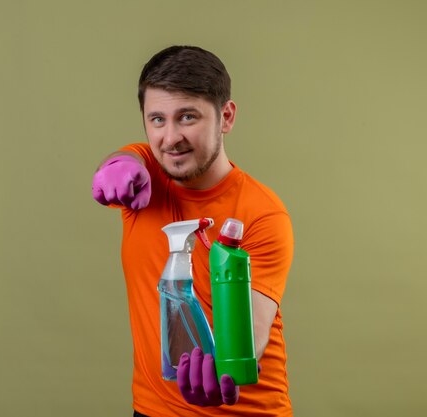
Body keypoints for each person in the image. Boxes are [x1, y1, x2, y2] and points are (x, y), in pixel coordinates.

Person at [92, 45, 294, 416]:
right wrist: (116, 166)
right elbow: (127, 157)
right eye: (157, 119)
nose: (170, 138)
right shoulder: (146, 178)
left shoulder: (263, 213)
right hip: (152, 410)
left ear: (226, 116)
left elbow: (253, 331)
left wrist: (228, 368)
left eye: (187, 117)